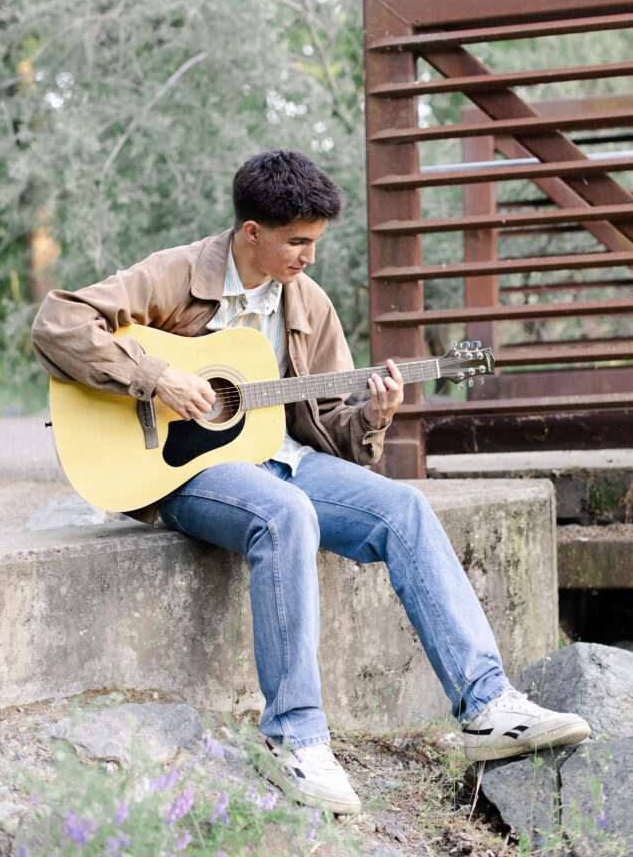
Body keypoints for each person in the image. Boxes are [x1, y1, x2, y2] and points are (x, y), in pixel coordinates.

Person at [32, 149, 590, 815]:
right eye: (296, 242)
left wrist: (372, 416)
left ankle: (486, 706)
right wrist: (158, 377)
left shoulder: (308, 303)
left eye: (315, 242)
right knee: (284, 514)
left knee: (403, 508)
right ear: (250, 233)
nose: (308, 257)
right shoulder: (178, 272)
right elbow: (58, 322)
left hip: (282, 458)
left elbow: (331, 428)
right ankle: (294, 738)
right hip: (185, 472)